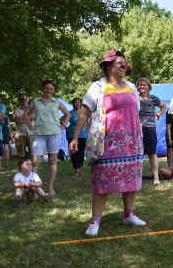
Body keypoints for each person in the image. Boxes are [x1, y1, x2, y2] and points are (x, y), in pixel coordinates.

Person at [69, 49, 146, 237]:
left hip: (131, 141)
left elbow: (136, 111)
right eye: (119, 62)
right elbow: (85, 113)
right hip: (107, 142)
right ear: (109, 66)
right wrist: (75, 137)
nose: (123, 65)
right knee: (102, 179)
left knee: (131, 177)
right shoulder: (98, 87)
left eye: (125, 63)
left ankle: (129, 214)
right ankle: (95, 221)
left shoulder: (131, 86)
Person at [25, 80, 70, 196]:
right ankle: (34, 188)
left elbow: (67, 114)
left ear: (53, 90)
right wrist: (30, 127)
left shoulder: (57, 102)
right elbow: (26, 113)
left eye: (51, 89)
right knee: (35, 162)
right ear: (43, 89)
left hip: (54, 134)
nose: (49, 90)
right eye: (46, 88)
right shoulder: (36, 101)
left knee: (53, 160)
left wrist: (63, 125)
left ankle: (50, 187)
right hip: (39, 134)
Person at [136, 78, 167, 185]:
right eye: (140, 85)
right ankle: (137, 177)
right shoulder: (135, 98)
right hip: (137, 129)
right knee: (137, 154)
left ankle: (156, 178)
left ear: (148, 87)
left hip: (150, 128)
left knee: (152, 153)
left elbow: (164, 106)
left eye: (144, 85)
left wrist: (158, 114)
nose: (142, 87)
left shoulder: (153, 98)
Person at [67, 98, 86, 175]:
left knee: (81, 153)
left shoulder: (84, 113)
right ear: (73, 104)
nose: (77, 103)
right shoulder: (70, 113)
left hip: (82, 136)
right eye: (75, 102)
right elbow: (62, 120)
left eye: (78, 102)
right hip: (72, 136)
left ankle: (80, 168)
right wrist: (66, 127)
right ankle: (76, 169)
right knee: (74, 153)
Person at [13, 93, 33, 159]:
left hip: (32, 134)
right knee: (21, 156)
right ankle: (22, 168)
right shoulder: (16, 110)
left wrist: (21, 118)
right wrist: (28, 118)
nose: (23, 101)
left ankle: (33, 168)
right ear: (18, 100)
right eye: (21, 99)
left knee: (33, 154)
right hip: (20, 134)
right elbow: (17, 121)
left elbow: (34, 117)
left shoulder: (33, 109)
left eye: (25, 99)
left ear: (28, 99)